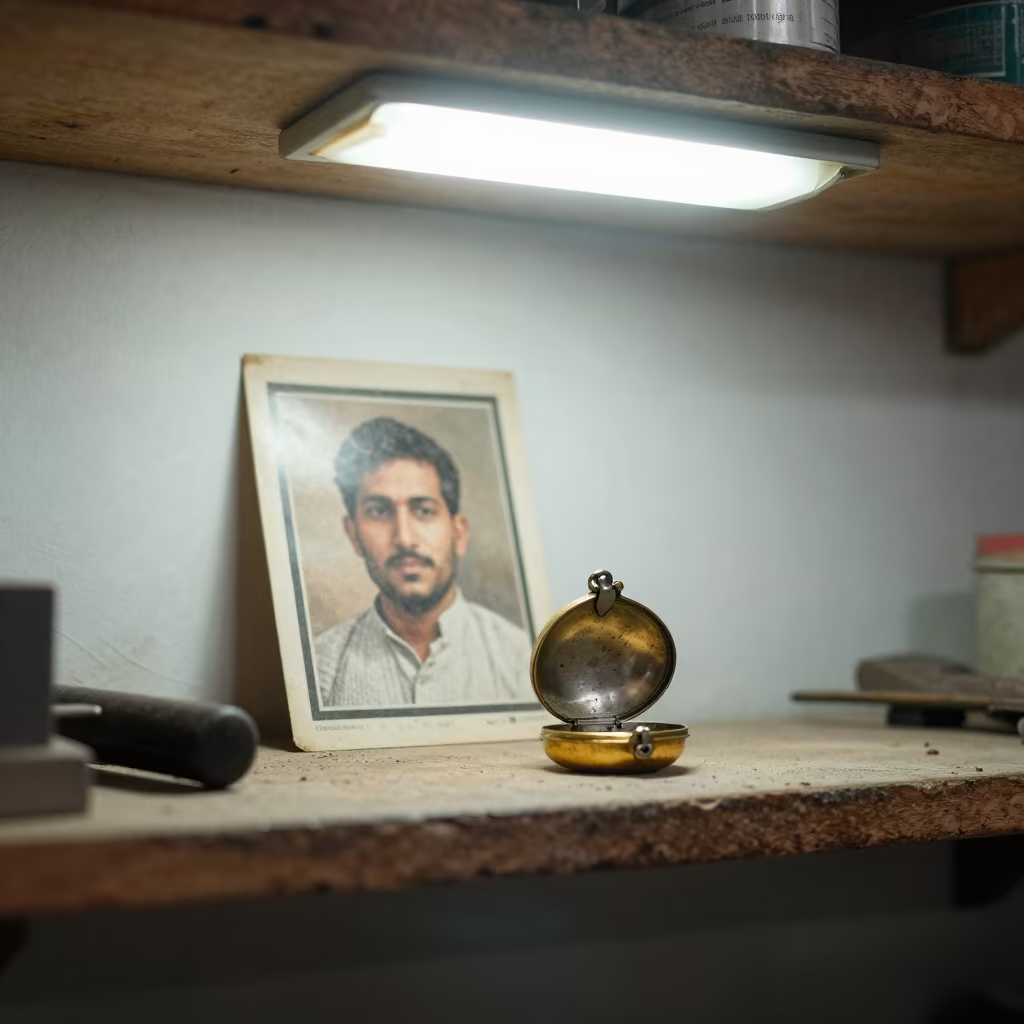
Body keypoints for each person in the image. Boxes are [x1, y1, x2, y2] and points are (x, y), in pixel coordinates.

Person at [315, 416, 534, 708]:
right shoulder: (321, 669)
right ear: (353, 535)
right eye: (379, 511)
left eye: (424, 511)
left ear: (459, 533)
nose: (405, 538)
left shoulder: (523, 661)